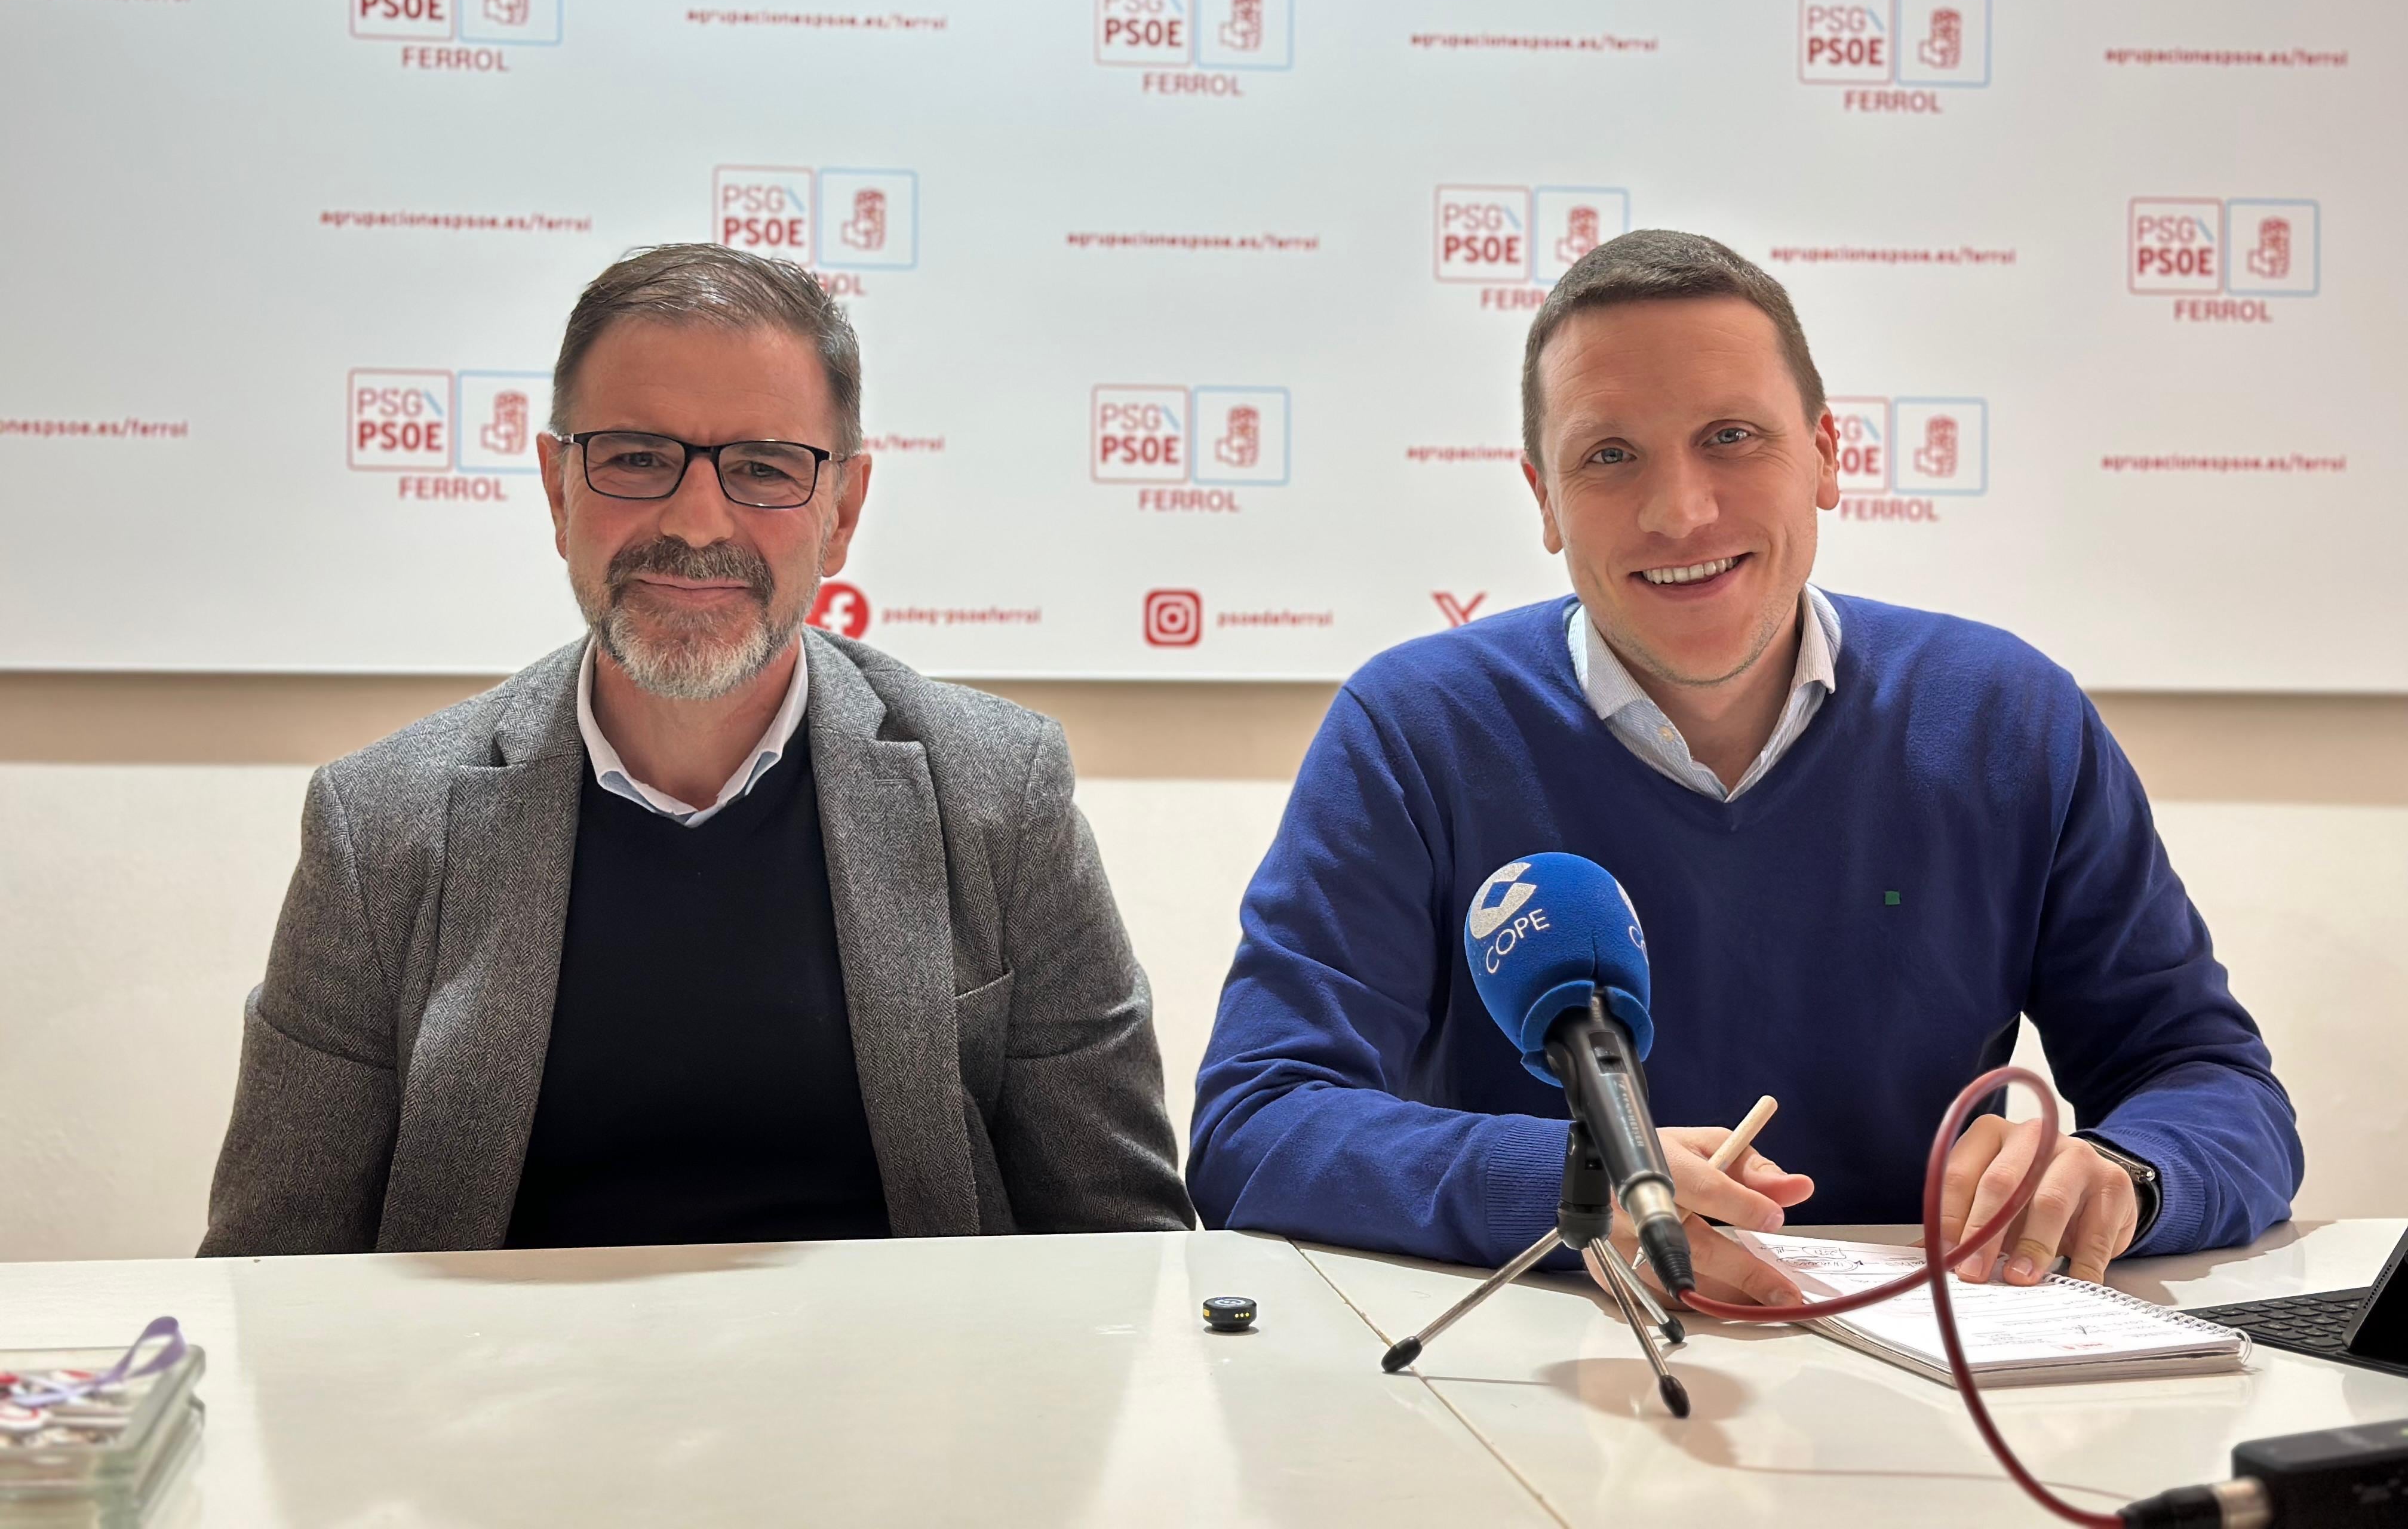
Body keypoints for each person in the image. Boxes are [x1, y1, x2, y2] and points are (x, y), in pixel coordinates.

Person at [1188, 230, 2299, 1303]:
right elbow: (1260, 1124)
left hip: (1935, 1361)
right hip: (1555, 1369)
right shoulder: (1418, 728)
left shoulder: (2005, 718)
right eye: (1610, 455)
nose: (1682, 512)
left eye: (1732, 437)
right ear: (1542, 499)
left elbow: (2210, 1084)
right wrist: (1573, 1190)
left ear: (1826, 455)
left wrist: (2125, 1176)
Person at [203, 244, 1192, 1254]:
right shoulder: (378, 831)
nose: (695, 519)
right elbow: (268, 1272)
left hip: (899, 1402)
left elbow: (1127, 1247)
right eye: (636, 457)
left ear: (841, 512)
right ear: (557, 489)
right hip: (503, 1398)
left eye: (764, 468)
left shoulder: (999, 797)